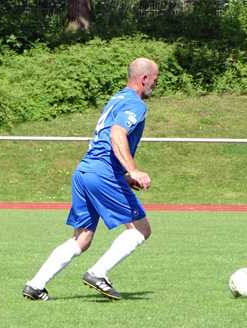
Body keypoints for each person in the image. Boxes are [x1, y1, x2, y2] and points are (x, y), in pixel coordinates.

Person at [22, 58, 159, 301]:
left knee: (82, 238)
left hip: (85, 171)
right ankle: (98, 273)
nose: (156, 86)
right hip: (102, 173)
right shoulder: (135, 104)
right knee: (141, 228)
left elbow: (105, 141)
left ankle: (35, 285)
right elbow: (117, 135)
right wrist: (133, 169)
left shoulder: (116, 99)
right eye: (155, 81)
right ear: (144, 78)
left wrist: (125, 177)